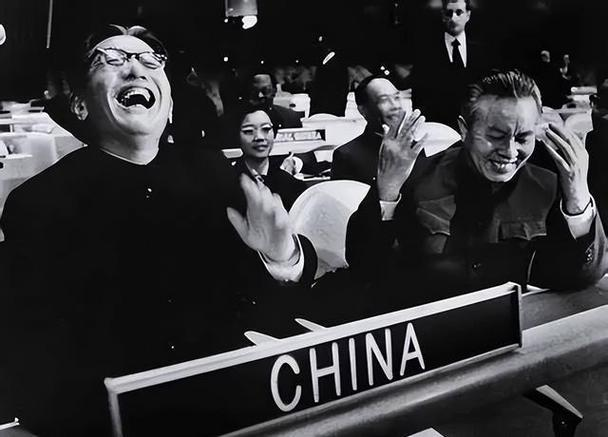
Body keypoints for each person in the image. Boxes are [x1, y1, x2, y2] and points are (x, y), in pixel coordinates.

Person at [0, 25, 316, 436]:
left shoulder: (215, 174)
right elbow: (33, 359)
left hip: (231, 403)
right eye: (112, 60)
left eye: (151, 62)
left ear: (167, 105)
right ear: (79, 105)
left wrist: (281, 255)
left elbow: (273, 307)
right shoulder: (38, 202)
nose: (136, 69)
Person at [347, 70, 607, 304]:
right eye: (495, 137)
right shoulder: (414, 180)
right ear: (464, 130)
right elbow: (365, 267)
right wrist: (387, 191)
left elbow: (583, 275)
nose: (510, 151)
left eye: (522, 138)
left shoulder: (548, 186)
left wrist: (578, 196)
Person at [411, 0, 492, 129]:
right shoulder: (427, 52)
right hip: (439, 128)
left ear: (468, 15)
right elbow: (419, 96)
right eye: (449, 13)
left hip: (476, 126)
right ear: (443, 16)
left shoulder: (481, 51)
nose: (453, 18)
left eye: (459, 12)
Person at [331, 75, 422, 184]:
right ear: (363, 110)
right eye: (384, 100)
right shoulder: (346, 156)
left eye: (396, 98)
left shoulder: (415, 148)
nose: (395, 106)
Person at [233, 104, 306, 209]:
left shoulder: (292, 185)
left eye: (266, 129)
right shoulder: (226, 184)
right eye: (249, 131)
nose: (259, 137)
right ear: (237, 136)